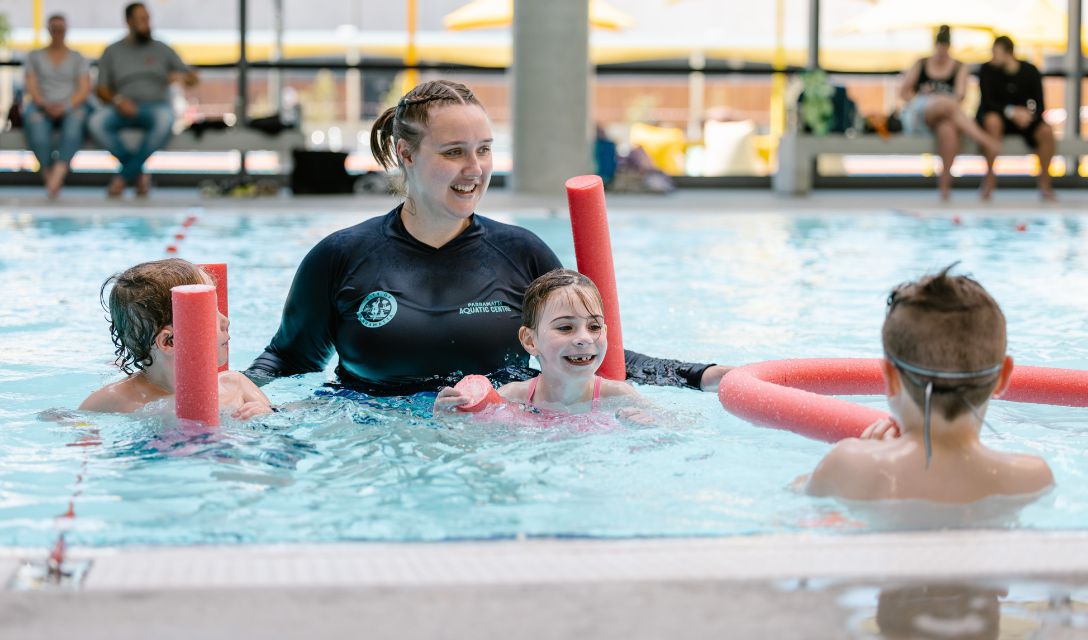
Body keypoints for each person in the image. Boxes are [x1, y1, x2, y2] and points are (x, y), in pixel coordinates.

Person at [245, 80, 729, 397]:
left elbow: (586, 349)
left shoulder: (522, 254)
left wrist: (702, 376)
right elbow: (288, 359)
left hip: (500, 434)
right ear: (405, 154)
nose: (474, 170)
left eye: (483, 150)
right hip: (375, 437)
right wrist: (237, 386)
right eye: (454, 152)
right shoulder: (341, 257)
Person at [805, 266, 1053, 503]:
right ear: (1003, 377)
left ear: (890, 378)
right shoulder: (1032, 478)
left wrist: (869, 454)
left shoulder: (847, 465)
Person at [80, 259, 272, 420]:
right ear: (169, 341)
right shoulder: (116, 399)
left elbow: (278, 422)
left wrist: (264, 414)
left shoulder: (235, 385)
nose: (226, 321)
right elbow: (75, 423)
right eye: (210, 312)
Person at [435, 269, 644, 416]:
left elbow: (669, 429)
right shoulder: (512, 398)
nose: (584, 338)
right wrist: (451, 421)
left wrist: (646, 425)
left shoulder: (620, 397)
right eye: (565, 327)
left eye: (594, 327)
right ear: (529, 340)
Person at [87, 2, 198, 198]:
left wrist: (180, 77)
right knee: (96, 123)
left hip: (156, 107)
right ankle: (137, 173)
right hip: (122, 106)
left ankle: (123, 177)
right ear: (129, 22)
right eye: (142, 19)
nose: (147, 23)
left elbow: (193, 78)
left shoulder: (162, 48)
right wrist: (118, 100)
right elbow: (101, 89)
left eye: (148, 18)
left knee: (165, 120)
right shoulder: (112, 51)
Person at [899, 25, 999, 201]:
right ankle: (986, 140)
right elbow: (904, 92)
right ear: (935, 45)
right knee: (945, 103)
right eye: (939, 48)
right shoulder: (921, 63)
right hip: (921, 112)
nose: (941, 52)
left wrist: (942, 98)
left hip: (947, 116)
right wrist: (925, 96)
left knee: (948, 129)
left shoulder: (959, 67)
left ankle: (944, 187)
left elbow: (960, 97)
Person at [976, 35, 1056, 201]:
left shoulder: (1030, 71)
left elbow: (1040, 105)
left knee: (1047, 132)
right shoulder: (988, 70)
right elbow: (988, 103)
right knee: (992, 121)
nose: (993, 57)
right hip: (1000, 118)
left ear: (1008, 53)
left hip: (1025, 120)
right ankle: (990, 177)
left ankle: (1045, 182)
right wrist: (1011, 112)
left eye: (996, 53)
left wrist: (1028, 116)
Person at [22, 13, 91, 199]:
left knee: (75, 125)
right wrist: (44, 104)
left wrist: (66, 106)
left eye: (61, 29)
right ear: (49, 30)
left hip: (71, 106)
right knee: (35, 125)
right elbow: (31, 85)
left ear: (66, 30)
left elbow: (84, 88)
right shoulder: (35, 56)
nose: (58, 33)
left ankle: (57, 175)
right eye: (55, 29)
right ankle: (49, 177)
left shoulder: (77, 58)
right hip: (41, 105)